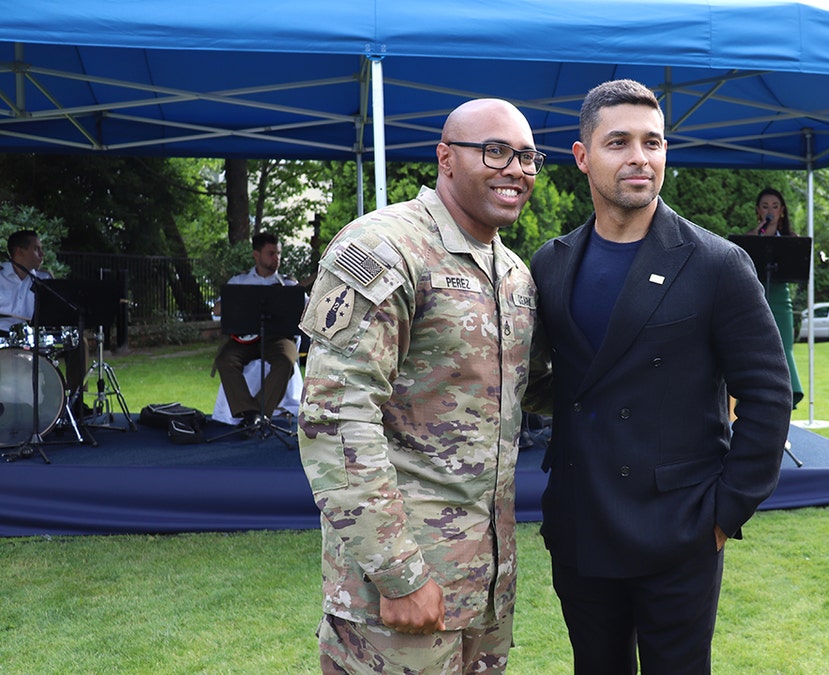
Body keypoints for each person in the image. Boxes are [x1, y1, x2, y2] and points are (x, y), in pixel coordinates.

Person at [525, 79, 792, 675]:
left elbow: (769, 396)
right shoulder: (551, 263)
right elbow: (550, 379)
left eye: (653, 142)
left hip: (678, 530)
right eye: (618, 142)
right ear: (582, 156)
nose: (639, 157)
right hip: (581, 523)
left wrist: (726, 514)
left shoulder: (717, 263)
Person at [297, 98, 541, 673]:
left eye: (528, 157)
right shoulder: (385, 248)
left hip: (484, 591)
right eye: (496, 151)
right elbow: (334, 418)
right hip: (400, 597)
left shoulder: (513, 273)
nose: (516, 170)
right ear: (445, 158)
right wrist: (399, 573)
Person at [212, 231, 300, 432]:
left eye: (278, 253)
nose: (276, 258)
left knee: (286, 360)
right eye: (271, 253)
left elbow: (307, 311)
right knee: (225, 360)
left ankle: (259, 414)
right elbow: (217, 310)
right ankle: (249, 413)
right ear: (256, 255)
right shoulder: (240, 281)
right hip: (244, 339)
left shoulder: (288, 283)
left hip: (277, 338)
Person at [1, 230, 88, 405]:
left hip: (34, 335)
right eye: (36, 249)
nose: (42, 254)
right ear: (19, 252)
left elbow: (56, 314)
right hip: (2, 334)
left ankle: (73, 401)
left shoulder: (44, 278)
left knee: (80, 343)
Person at [746, 188, 804, 408]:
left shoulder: (792, 240)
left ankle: (785, 406)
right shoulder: (750, 238)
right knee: (756, 350)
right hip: (754, 299)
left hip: (780, 300)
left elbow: (797, 272)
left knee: (783, 348)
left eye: (775, 206)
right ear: (758, 211)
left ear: (782, 211)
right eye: (765, 206)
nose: (770, 210)